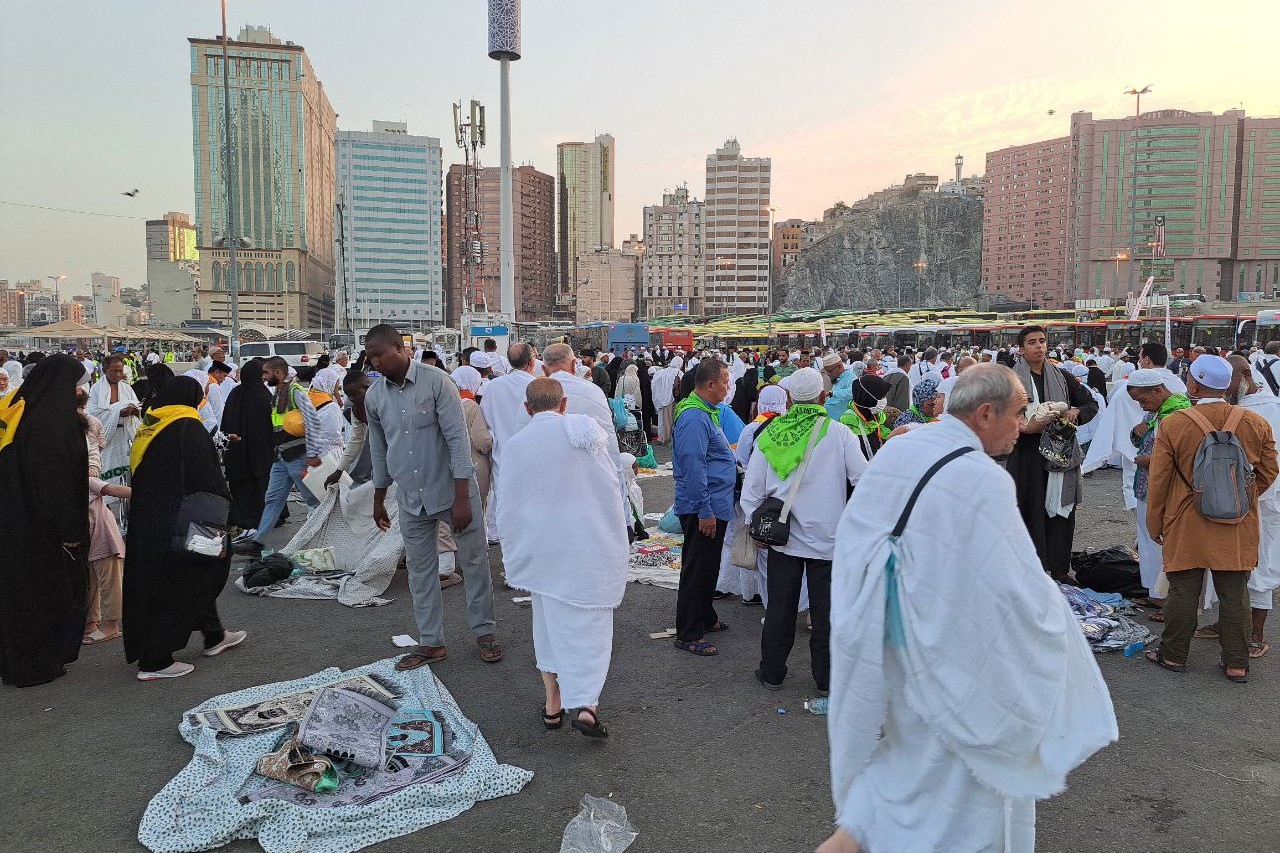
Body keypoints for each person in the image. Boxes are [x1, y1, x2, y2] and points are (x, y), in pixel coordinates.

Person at [819, 365, 1117, 853]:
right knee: (958, 795)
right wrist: (1056, 631)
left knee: (901, 776)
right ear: (984, 413)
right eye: (1020, 413)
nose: (1024, 424)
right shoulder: (982, 479)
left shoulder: (903, 446)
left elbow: (860, 536)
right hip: (953, 663)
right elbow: (1017, 593)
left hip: (892, 640)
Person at [364, 325, 503, 668]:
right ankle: (431, 642)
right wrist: (379, 497)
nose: (374, 363)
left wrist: (461, 498)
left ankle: (484, 632)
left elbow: (458, 440)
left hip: (452, 490)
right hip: (410, 497)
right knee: (420, 571)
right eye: (370, 358)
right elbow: (379, 449)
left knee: (473, 563)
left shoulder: (437, 381)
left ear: (400, 348)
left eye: (378, 355)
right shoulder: (375, 396)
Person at [498, 379, 627, 737]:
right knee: (591, 626)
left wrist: (517, 547)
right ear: (564, 403)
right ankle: (587, 704)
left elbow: (507, 505)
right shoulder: (586, 436)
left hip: (542, 550)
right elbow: (609, 491)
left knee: (548, 624)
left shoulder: (515, 446)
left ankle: (553, 704)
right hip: (586, 547)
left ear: (527, 409)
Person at [1145, 354, 1277, 683]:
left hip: (1185, 519)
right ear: (1228, 386)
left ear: (1193, 384)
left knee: (1183, 590)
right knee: (1235, 593)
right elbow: (1270, 469)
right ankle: (1236, 663)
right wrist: (1242, 497)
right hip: (1236, 522)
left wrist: (1155, 522)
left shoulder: (1174, 424)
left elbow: (1158, 480)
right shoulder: (1254, 422)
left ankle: (1173, 655)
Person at [741, 368, 866, 693]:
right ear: (824, 397)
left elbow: (751, 491)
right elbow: (865, 481)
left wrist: (757, 527)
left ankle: (772, 674)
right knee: (826, 614)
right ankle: (825, 680)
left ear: (790, 399)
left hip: (783, 539)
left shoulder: (770, 434)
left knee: (781, 609)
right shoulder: (839, 434)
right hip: (829, 540)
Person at [123, 376, 245, 681]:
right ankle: (155, 660)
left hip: (151, 521)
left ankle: (214, 634)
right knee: (189, 579)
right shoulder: (188, 427)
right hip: (188, 521)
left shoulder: (151, 426)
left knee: (191, 577)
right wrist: (232, 514)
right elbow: (208, 478)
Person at [0, 354, 90, 687]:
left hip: (16, 521)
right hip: (43, 530)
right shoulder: (54, 424)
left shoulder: (20, 412)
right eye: (77, 385)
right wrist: (70, 532)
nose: (80, 391)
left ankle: (17, 659)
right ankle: (37, 664)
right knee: (44, 594)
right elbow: (56, 484)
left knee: (19, 592)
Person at [1007, 325, 1097, 582]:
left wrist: (1075, 412)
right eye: (1032, 342)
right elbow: (1000, 415)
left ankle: (1059, 568)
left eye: (1042, 341)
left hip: (1059, 455)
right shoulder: (1010, 380)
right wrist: (1025, 427)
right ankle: (1031, 570)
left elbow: (1089, 403)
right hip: (1026, 456)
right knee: (1028, 508)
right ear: (1022, 349)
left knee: (1059, 510)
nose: (1039, 346)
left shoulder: (1062, 376)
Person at [672, 359, 736, 656]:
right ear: (710, 385)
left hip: (713, 502)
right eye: (725, 380)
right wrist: (704, 510)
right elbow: (693, 467)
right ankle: (688, 632)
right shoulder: (695, 418)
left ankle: (705, 616)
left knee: (708, 565)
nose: (728, 385)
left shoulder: (705, 413)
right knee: (698, 569)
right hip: (703, 506)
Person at [234, 356, 326, 555]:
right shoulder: (278, 394)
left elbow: (313, 421)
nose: (264, 378)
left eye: (266, 373)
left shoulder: (294, 392)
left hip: (298, 456)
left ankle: (323, 540)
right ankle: (258, 543)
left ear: (278, 373)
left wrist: (312, 453)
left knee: (313, 502)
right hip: (283, 458)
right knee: (273, 499)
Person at [1224, 355, 1280, 658]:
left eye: (1230, 380)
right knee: (1229, 562)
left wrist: (1253, 492)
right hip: (1234, 501)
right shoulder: (1235, 409)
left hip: (1267, 502)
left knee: (1262, 564)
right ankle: (1228, 623)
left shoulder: (1272, 410)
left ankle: (1256, 634)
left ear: (1246, 375)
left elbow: (1270, 466)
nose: (1225, 388)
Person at [1124, 369, 1191, 613]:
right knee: (1148, 544)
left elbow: (1185, 456)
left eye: (1143, 400)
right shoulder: (1156, 412)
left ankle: (1169, 601)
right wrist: (1135, 432)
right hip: (1146, 487)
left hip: (1168, 490)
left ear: (1158, 390)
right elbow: (1140, 439)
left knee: (1163, 545)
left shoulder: (1180, 413)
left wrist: (1151, 461)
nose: (1142, 406)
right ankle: (1155, 594)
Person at [479, 343, 537, 539]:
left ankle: (498, 532)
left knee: (501, 494)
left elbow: (485, 419)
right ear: (531, 361)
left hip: (500, 448)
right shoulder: (536, 385)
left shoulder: (494, 386)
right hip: (531, 452)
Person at [221, 357, 274, 537]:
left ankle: (241, 519)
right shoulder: (265, 395)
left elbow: (225, 423)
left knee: (240, 490)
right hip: (260, 455)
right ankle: (260, 522)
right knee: (260, 490)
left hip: (236, 452)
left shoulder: (235, 394)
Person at [87, 354, 142, 526]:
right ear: (105, 370)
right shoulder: (96, 389)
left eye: (120, 371)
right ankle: (109, 510)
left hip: (125, 435)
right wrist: (117, 411)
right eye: (114, 371)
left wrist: (133, 411)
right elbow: (93, 413)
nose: (118, 374)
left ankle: (128, 509)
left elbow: (136, 405)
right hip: (108, 437)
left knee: (126, 471)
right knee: (109, 472)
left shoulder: (127, 388)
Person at [651, 356, 684, 443]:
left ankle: (662, 436)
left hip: (662, 399)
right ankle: (670, 437)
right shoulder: (679, 373)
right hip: (673, 399)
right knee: (671, 419)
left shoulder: (661, 372)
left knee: (662, 419)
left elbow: (654, 384)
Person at [822, 353, 854, 421]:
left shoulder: (851, 378)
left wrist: (831, 393)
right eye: (826, 372)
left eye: (829, 371)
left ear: (839, 366)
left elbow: (853, 393)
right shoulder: (838, 377)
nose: (828, 374)